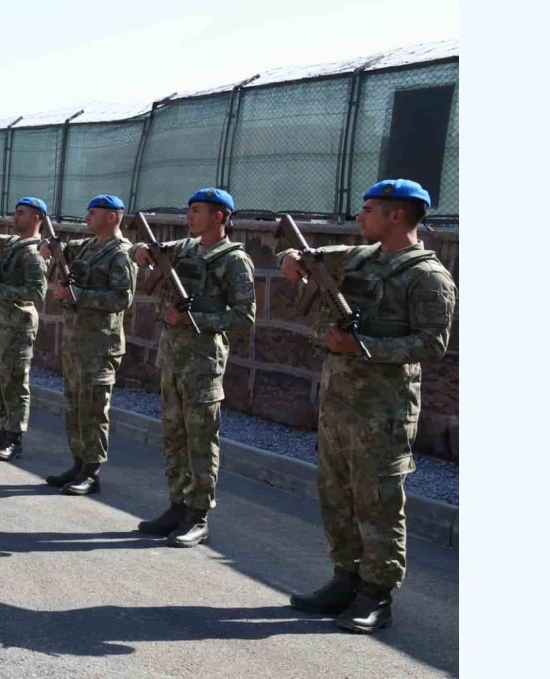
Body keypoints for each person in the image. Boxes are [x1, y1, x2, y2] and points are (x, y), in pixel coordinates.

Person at [282, 179, 456, 634]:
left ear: (397, 215)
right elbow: (314, 260)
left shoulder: (427, 276)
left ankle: (377, 595)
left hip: (384, 407)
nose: (360, 217)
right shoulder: (360, 256)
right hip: (339, 401)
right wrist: (292, 260)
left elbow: (432, 344)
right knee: (335, 493)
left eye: (370, 209)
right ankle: (345, 579)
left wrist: (364, 347)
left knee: (378, 500)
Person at [131, 188, 256, 547]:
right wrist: (139, 252)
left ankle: (198, 515)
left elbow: (245, 316)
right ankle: (177, 504)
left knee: (200, 440)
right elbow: (142, 254)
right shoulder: (184, 249)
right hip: (172, 359)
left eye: (197, 211)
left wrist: (193, 319)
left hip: (203, 363)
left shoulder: (234, 260)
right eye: (189, 210)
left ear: (219, 217)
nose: (189, 217)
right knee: (173, 436)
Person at [41, 195, 137, 495]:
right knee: (74, 406)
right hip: (76, 340)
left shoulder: (121, 253)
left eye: (93, 213)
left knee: (94, 408)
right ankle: (78, 462)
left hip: (100, 344)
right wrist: (47, 246)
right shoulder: (86, 246)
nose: (87, 217)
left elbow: (122, 299)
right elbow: (61, 249)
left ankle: (92, 472)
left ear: (113, 217)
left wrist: (78, 296)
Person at [0, 197, 48, 461]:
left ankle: (15, 438)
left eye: (21, 213)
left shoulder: (35, 252)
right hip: (0, 323)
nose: (15, 218)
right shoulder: (14, 244)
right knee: (0, 381)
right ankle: (4, 430)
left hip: (19, 325)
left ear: (37, 218)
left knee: (15, 383)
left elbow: (37, 293)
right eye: (16, 213)